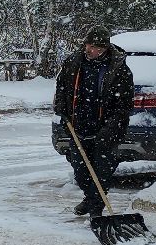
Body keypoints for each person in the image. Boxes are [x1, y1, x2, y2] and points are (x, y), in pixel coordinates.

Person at [53, 27, 133, 215]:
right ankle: (91, 199)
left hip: (106, 129)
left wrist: (110, 128)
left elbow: (124, 105)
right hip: (78, 126)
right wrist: (61, 110)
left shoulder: (118, 69)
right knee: (81, 172)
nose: (88, 49)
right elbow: (62, 87)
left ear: (104, 48)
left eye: (94, 46)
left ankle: (96, 210)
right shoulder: (74, 62)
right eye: (87, 44)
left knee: (101, 172)